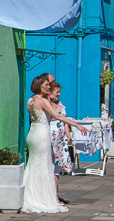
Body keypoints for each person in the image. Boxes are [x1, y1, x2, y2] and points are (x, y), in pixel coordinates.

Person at [22, 75, 88, 213]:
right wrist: (77, 125)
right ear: (39, 86)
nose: (49, 87)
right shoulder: (42, 100)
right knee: (44, 165)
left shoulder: (30, 100)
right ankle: (41, 198)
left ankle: (29, 194)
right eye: (46, 85)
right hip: (42, 134)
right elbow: (58, 116)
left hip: (33, 133)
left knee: (33, 164)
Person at [48, 82, 78, 203]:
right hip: (52, 136)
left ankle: (56, 193)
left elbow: (64, 120)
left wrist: (68, 135)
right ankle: (51, 194)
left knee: (58, 166)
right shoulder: (48, 104)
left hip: (61, 138)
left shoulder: (59, 104)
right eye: (57, 92)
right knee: (51, 164)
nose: (59, 94)